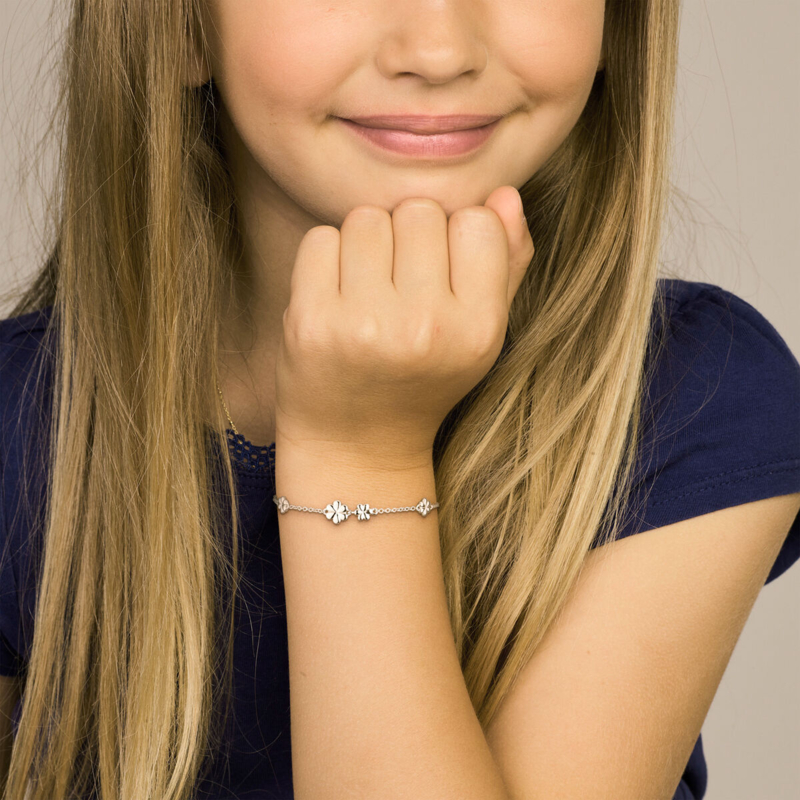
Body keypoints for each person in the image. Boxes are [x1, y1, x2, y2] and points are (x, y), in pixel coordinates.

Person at [0, 1, 797, 798]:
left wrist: (359, 455)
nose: (439, 50)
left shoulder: (697, 398)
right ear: (181, 24)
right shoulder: (23, 426)